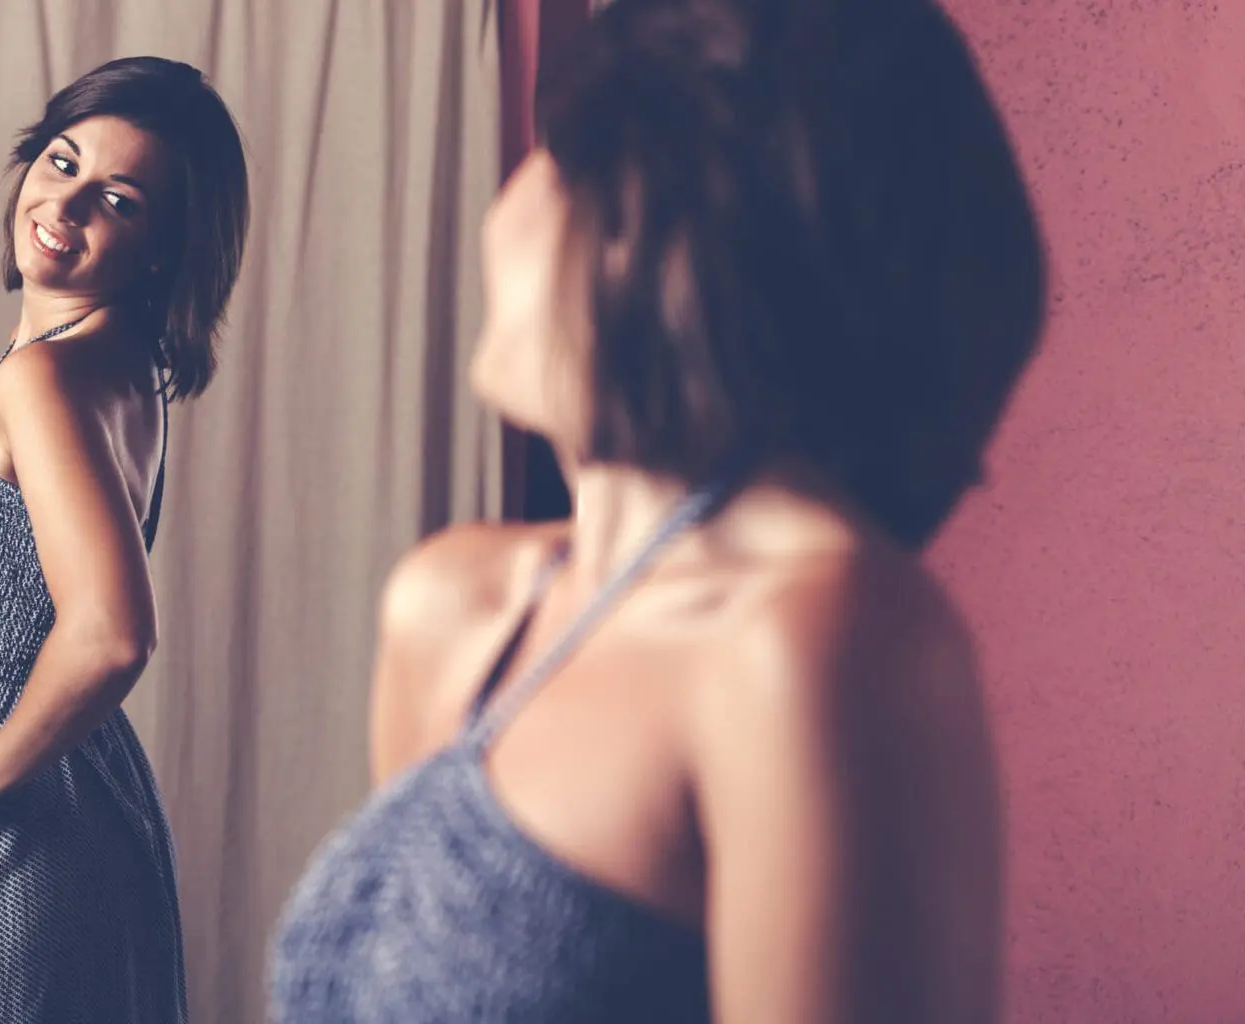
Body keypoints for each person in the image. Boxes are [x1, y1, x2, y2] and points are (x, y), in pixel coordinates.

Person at [270, 0, 1044, 1020]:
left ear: (643, 224)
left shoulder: (813, 637)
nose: (503, 212)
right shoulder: (456, 602)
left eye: (550, 163)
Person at [0, 56, 248, 1023]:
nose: (64, 205)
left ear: (162, 247)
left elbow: (113, 632)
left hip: (6, 826)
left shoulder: (49, 380)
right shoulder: (120, 365)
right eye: (61, 161)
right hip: (56, 797)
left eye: (117, 199)